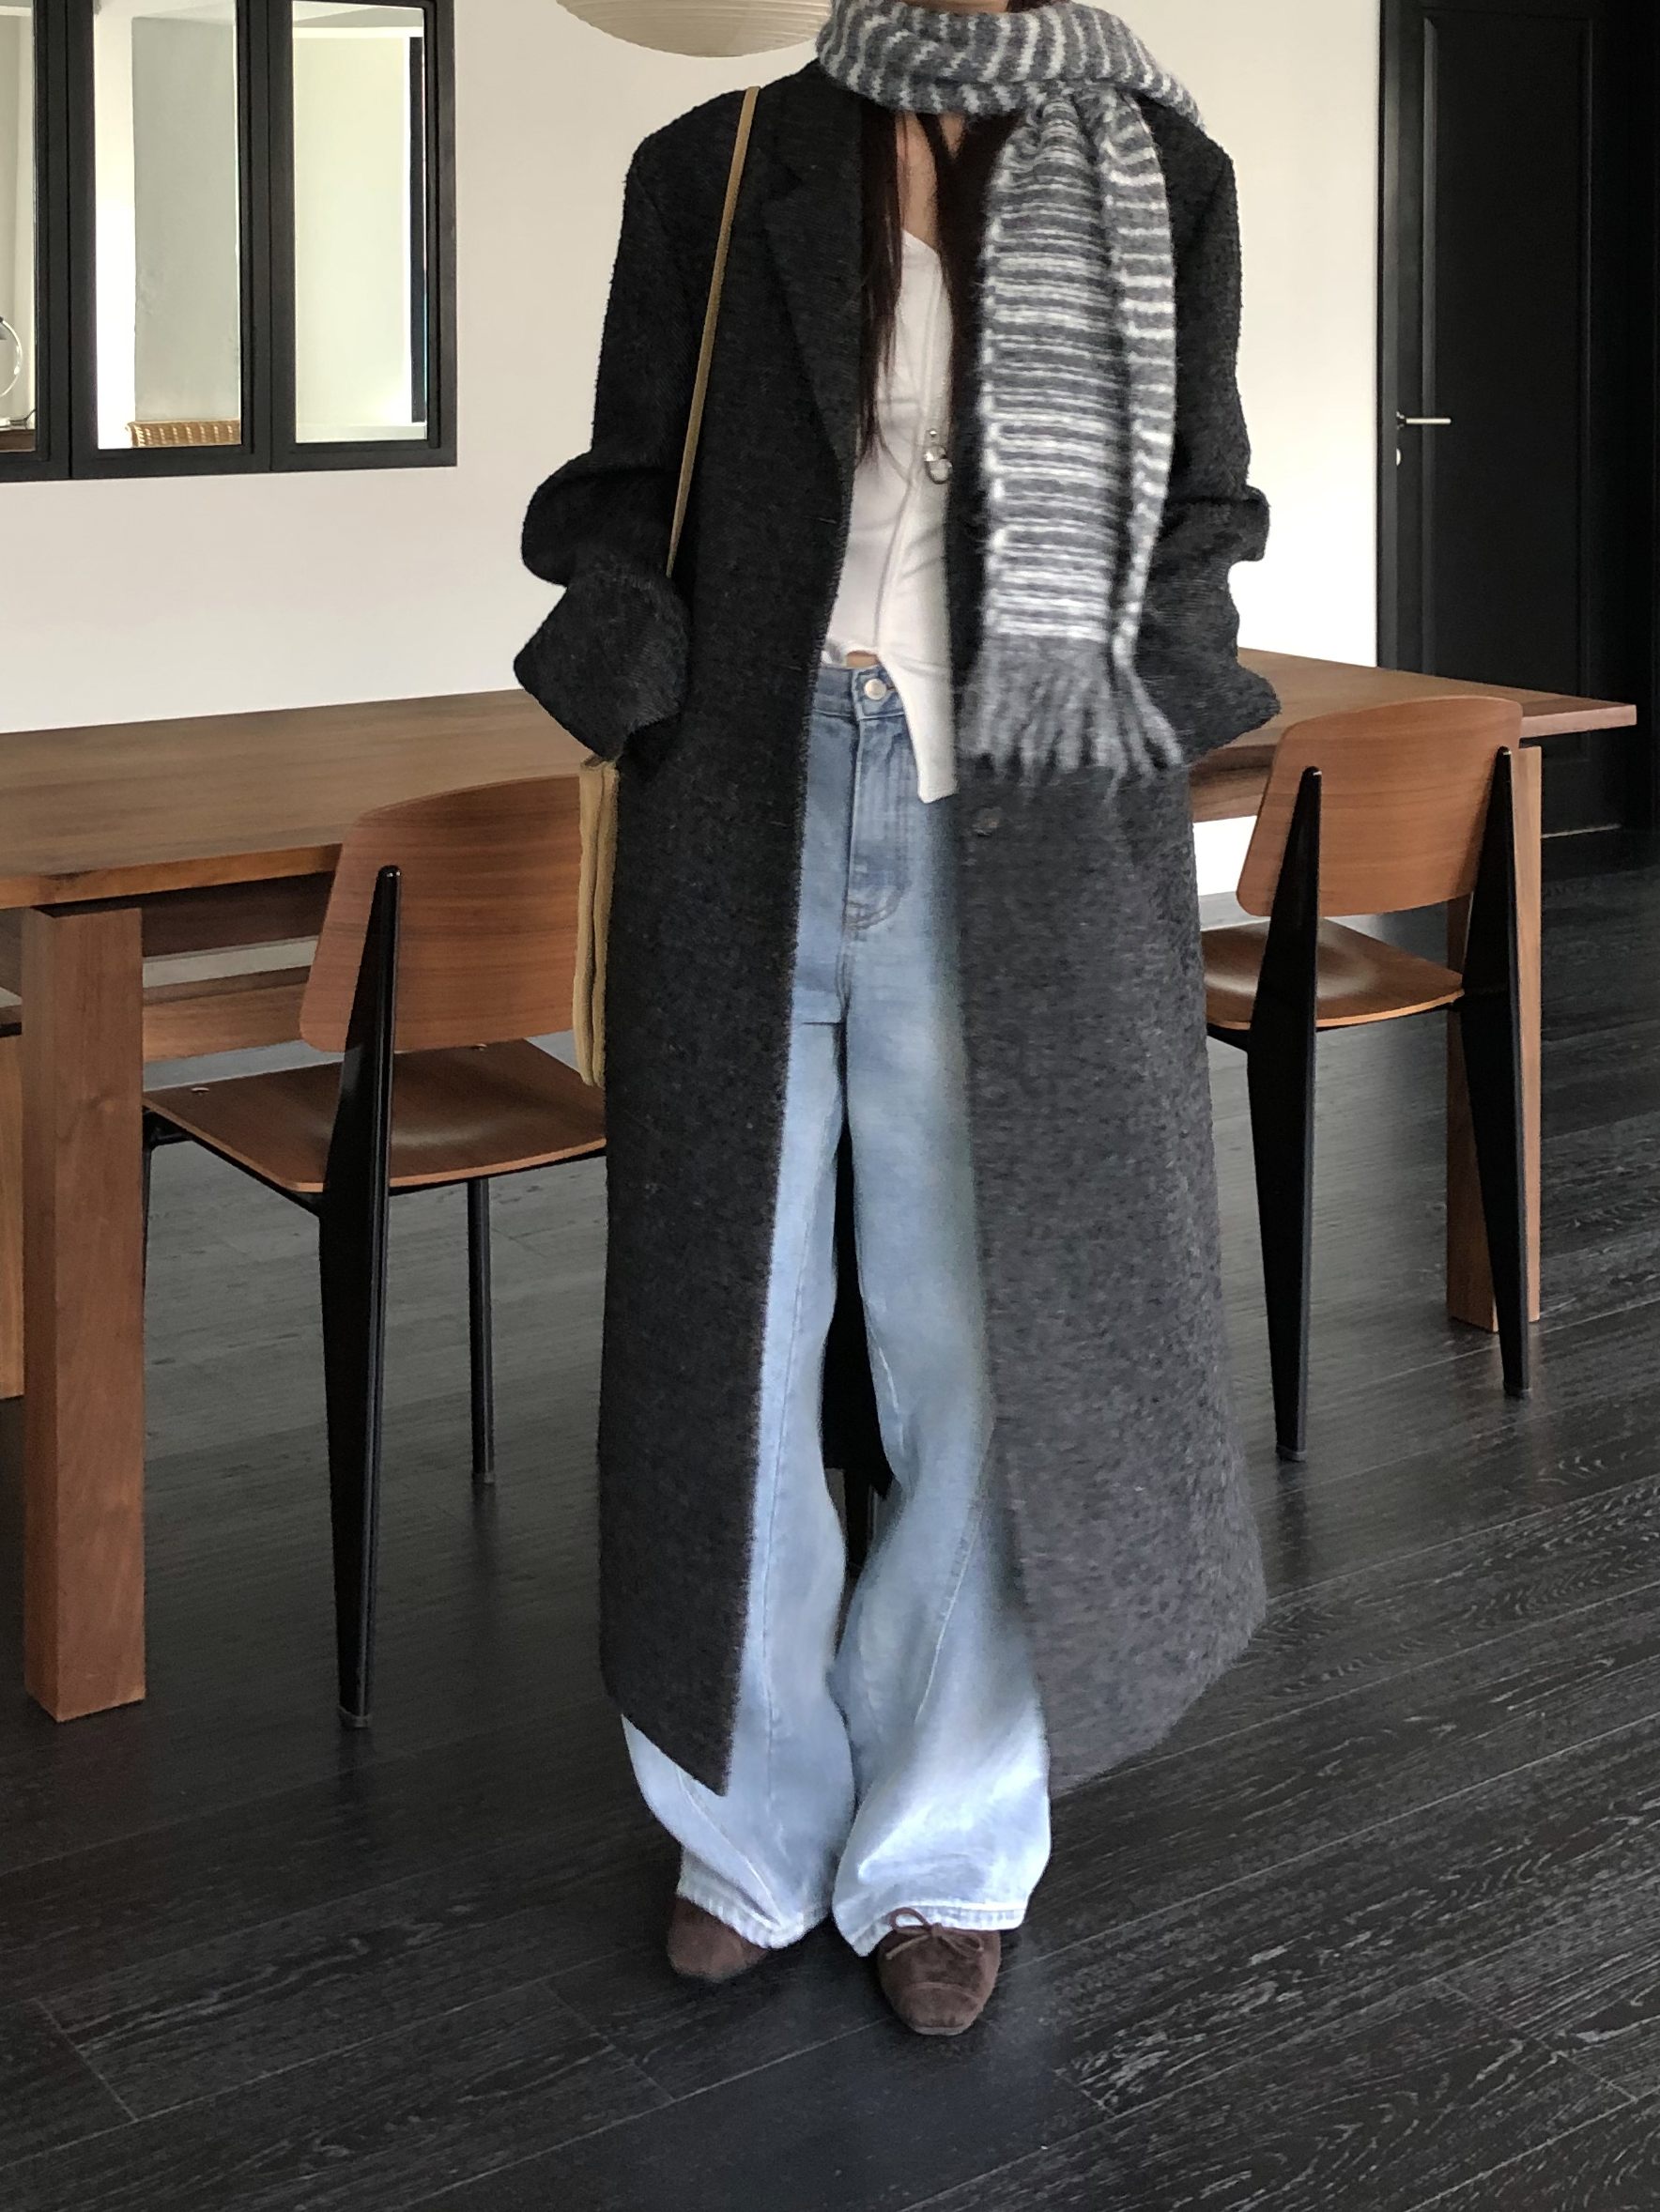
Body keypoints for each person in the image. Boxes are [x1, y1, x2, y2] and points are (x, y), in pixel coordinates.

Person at [516, 0, 1278, 2037]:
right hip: (750, 795)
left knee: (991, 1337)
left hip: (1023, 819)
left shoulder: (1155, 176)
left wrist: (1156, 688)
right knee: (728, 1327)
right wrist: (630, 665)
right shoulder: (720, 162)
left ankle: (942, 1848)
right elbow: (620, 486)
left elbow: (1200, 501)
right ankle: (745, 1828)